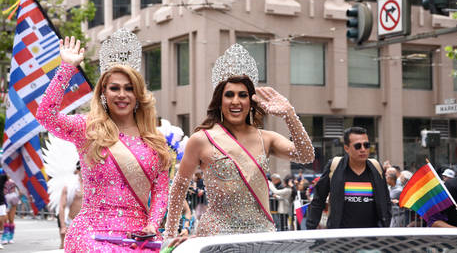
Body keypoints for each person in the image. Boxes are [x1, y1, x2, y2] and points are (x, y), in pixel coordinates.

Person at [164, 44, 314, 243]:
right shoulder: (201, 139)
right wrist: (170, 235)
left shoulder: (265, 138)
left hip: (261, 237)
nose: (236, 101)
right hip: (216, 238)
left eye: (242, 95)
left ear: (251, 102)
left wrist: (289, 115)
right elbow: (179, 188)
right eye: (229, 95)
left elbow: (306, 155)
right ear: (219, 101)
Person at [36, 29, 170, 252]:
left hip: (137, 236)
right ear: (103, 94)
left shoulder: (155, 141)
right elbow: (46, 116)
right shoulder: (87, 128)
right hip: (90, 234)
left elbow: (160, 191)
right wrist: (67, 68)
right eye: (114, 88)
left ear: (138, 95)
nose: (122, 94)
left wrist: (153, 224)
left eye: (129, 88)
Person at [306, 127, 391, 229]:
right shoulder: (335, 166)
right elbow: (318, 200)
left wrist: (385, 226)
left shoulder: (376, 168)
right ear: (346, 148)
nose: (363, 149)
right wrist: (310, 230)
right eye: (358, 146)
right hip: (341, 239)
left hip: (372, 239)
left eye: (366, 145)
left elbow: (386, 201)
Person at [58, 163, 83, 249]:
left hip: (86, 224)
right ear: (78, 170)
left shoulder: (93, 185)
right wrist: (63, 226)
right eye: (82, 169)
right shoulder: (69, 185)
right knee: (64, 247)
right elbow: (61, 206)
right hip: (71, 222)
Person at [2, 177, 20, 244]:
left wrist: (19, 195)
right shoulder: (2, 176)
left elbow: (21, 186)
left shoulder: (14, 176)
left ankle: (11, 237)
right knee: (5, 219)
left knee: (11, 219)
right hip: (3, 199)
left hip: (13, 199)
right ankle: (4, 237)